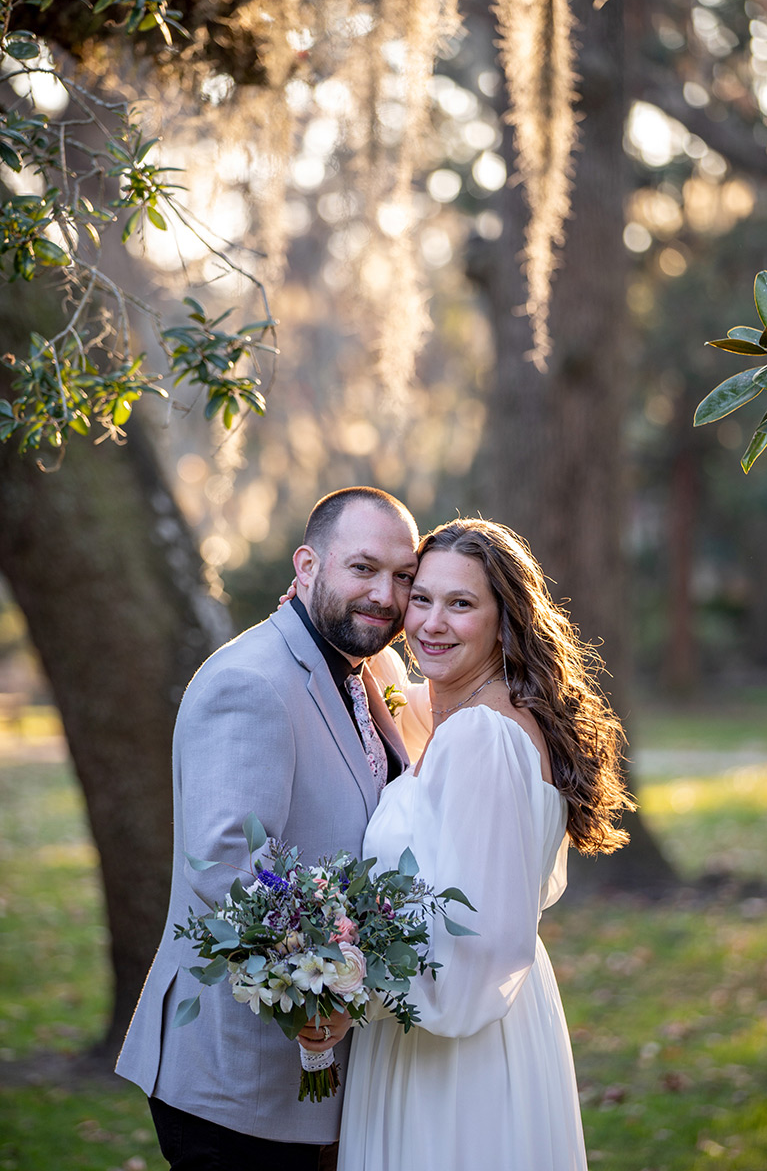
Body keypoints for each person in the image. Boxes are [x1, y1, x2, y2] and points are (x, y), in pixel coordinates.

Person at [116, 486, 427, 1171]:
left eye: (404, 577)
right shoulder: (252, 683)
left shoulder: (358, 671)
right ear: (308, 566)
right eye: (364, 568)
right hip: (240, 1080)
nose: (385, 593)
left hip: (313, 1087)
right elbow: (225, 868)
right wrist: (326, 985)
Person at [338, 518, 635, 1171]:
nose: (432, 624)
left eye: (461, 604)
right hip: (476, 1023)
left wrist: (345, 991)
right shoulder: (475, 709)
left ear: (504, 620)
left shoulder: (480, 738)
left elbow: (480, 944)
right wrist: (325, 607)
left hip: (452, 1051)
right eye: (422, 599)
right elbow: (396, 693)